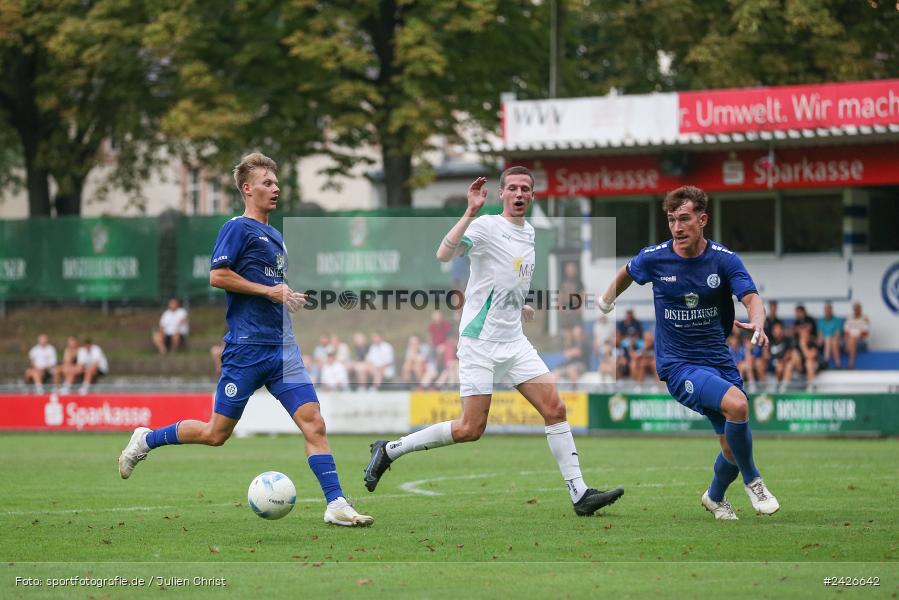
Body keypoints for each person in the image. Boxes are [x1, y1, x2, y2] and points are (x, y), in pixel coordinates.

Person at [118, 152, 372, 528]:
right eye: (267, 183)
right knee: (215, 433)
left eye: (276, 181)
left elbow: (269, 286)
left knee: (314, 423)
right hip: (246, 350)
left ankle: (335, 503)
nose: (276, 188)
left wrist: (287, 297)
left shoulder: (275, 236)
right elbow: (218, 277)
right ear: (246, 188)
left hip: (283, 349)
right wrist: (269, 293)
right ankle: (147, 439)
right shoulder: (236, 228)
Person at [363, 168, 624, 516]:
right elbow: (444, 254)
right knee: (471, 428)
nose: (519, 194)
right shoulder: (485, 225)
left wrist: (520, 304)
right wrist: (470, 211)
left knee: (555, 409)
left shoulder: (529, 232)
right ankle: (390, 449)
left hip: (514, 341)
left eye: (525, 189)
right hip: (480, 342)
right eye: (513, 188)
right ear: (501, 194)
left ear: (532, 196)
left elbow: (505, 276)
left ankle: (580, 495)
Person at [597, 185, 779, 520]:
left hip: (719, 361)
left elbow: (752, 298)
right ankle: (755, 483)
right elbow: (628, 272)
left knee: (731, 448)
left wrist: (758, 323)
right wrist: (607, 299)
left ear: (702, 219)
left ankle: (714, 497)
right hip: (678, 365)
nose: (677, 227)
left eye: (684, 218)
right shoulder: (656, 257)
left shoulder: (724, 260)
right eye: (671, 220)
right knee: (738, 405)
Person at [843, 302, 870, 369]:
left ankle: (851, 364)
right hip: (849, 339)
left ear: (861, 309)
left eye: (858, 309)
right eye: (855, 309)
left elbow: (865, 333)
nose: (856, 310)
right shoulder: (849, 318)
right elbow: (846, 332)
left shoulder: (865, 319)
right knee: (850, 340)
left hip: (861, 339)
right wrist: (846, 343)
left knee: (852, 340)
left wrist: (855, 336)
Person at [817, 302, 843, 368]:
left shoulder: (837, 320)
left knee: (830, 341)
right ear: (824, 311)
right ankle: (838, 364)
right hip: (824, 341)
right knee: (827, 340)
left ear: (832, 310)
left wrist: (829, 338)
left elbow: (838, 334)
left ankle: (826, 362)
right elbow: (820, 334)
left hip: (836, 340)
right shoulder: (821, 321)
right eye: (826, 310)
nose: (827, 311)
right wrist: (820, 339)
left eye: (829, 309)